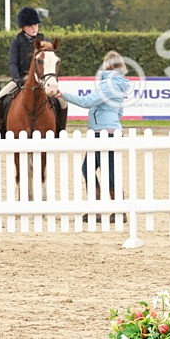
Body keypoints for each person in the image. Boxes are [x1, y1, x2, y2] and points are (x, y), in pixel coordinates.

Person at [61, 51, 131, 218]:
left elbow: (87, 102)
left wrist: (62, 95)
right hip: (107, 131)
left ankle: (117, 209)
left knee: (105, 171)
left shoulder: (108, 85)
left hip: (103, 133)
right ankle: (100, 207)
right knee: (91, 168)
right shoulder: (118, 84)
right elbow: (119, 112)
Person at [0, 6, 68, 136]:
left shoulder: (44, 41)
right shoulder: (17, 42)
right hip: (20, 79)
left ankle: (60, 132)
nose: (34, 28)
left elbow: (49, 62)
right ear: (23, 27)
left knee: (63, 101)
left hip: (42, 80)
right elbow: (12, 63)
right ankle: (1, 133)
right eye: (30, 26)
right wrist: (16, 78)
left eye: (36, 25)